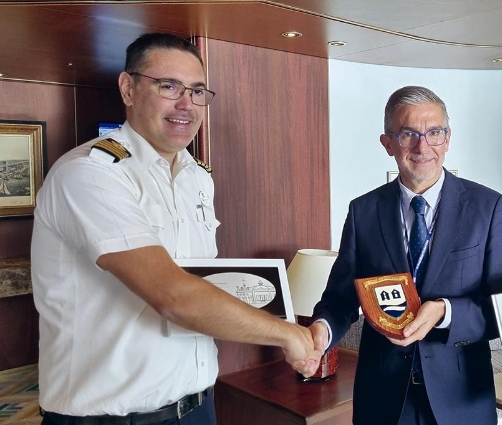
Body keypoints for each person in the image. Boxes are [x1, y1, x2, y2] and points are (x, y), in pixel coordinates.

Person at [31, 33, 319, 425]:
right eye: (169, 86)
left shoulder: (196, 178)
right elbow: (174, 296)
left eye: (198, 91)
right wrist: (287, 334)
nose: (187, 104)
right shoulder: (90, 175)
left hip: (196, 407)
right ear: (128, 88)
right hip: (111, 418)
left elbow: (203, 281)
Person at [307, 86, 502, 425]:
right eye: (408, 134)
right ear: (388, 143)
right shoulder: (363, 210)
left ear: (448, 138)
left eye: (434, 132)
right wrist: (321, 330)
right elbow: (341, 298)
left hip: (461, 401)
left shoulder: (488, 207)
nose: (423, 147)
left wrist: (445, 312)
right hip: (384, 400)